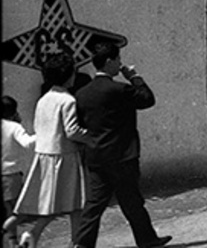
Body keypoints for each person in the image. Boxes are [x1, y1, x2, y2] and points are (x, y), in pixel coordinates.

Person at [73, 41, 171, 248]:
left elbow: (82, 123)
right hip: (122, 155)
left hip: (96, 156)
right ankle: (146, 239)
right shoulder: (119, 89)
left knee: (94, 205)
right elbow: (147, 99)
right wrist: (134, 77)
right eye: (118, 60)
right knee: (132, 201)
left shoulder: (82, 93)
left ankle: (82, 244)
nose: (120, 64)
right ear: (109, 61)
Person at [4, 52, 93, 248]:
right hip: (65, 157)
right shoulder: (68, 100)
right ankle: (76, 242)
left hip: (44, 156)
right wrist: (91, 137)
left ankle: (32, 233)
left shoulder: (43, 100)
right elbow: (72, 131)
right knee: (76, 204)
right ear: (69, 75)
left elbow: (40, 128)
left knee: (50, 204)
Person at [2, 96, 36, 228]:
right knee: (19, 212)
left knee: (8, 211)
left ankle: (12, 241)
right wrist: (42, 134)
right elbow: (27, 143)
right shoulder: (14, 127)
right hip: (11, 174)